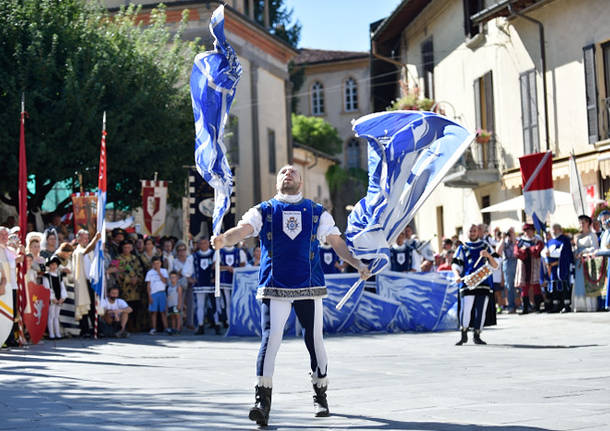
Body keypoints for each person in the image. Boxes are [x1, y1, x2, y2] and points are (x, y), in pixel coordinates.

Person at [212, 165, 370, 426]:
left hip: (309, 285)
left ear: (301, 181)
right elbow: (241, 231)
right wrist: (223, 240)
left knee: (314, 339)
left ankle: (320, 395)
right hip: (275, 285)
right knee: (271, 339)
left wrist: (358, 264)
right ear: (277, 182)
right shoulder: (263, 210)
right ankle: (262, 402)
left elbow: (337, 243)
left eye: (293, 171)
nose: (288, 173)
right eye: (283, 171)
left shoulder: (318, 212)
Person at [452, 224, 498, 346]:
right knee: (466, 308)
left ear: (478, 232)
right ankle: (464, 333)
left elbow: (496, 264)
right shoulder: (462, 248)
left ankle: (477, 335)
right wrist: (457, 276)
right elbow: (456, 265)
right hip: (468, 282)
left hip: (483, 282)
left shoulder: (485, 246)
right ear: (467, 233)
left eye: (475, 231)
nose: (472, 233)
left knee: (480, 310)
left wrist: (488, 256)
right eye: (470, 231)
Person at [72, 230, 101, 337]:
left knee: (93, 306)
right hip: (82, 282)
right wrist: (95, 239)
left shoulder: (91, 251)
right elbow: (86, 251)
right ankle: (84, 329)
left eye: (87, 238)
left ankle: (95, 328)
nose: (86, 240)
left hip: (91, 281)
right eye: (84, 238)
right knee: (84, 305)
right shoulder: (78, 251)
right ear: (78, 239)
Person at [542, 224, 574, 313]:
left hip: (562, 266)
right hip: (552, 268)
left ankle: (566, 305)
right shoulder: (550, 241)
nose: (553, 231)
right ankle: (556, 305)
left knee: (564, 285)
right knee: (555, 286)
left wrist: (551, 255)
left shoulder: (565, 240)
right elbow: (544, 252)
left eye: (554, 229)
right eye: (552, 230)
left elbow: (564, 253)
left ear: (559, 229)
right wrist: (546, 255)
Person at [116, 240, 146, 332]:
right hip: (124, 289)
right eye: (125, 247)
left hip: (135, 289)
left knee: (136, 307)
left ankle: (136, 326)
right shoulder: (117, 258)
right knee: (125, 306)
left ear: (132, 248)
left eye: (129, 247)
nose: (127, 249)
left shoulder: (135, 258)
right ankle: (126, 326)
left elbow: (140, 270)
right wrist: (128, 279)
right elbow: (115, 272)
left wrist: (137, 279)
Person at [514, 224, 545, 314]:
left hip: (534, 264)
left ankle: (537, 306)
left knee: (536, 285)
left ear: (533, 231)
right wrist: (525, 251)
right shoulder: (520, 241)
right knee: (525, 286)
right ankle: (525, 307)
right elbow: (516, 252)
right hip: (524, 264)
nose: (528, 232)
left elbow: (537, 250)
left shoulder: (537, 240)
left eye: (530, 230)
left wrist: (527, 249)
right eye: (526, 231)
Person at [190, 238, 217, 334]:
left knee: (214, 304)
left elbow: (217, 266)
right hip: (200, 284)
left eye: (205, 243)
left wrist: (216, 278)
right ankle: (201, 325)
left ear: (208, 244)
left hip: (211, 283)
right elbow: (187, 269)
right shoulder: (194, 256)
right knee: (200, 305)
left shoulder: (214, 254)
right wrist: (190, 278)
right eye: (201, 243)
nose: (203, 245)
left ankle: (217, 324)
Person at [216, 243, 247, 326]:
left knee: (237, 300)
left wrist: (235, 269)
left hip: (236, 280)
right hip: (225, 280)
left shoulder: (239, 251)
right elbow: (215, 266)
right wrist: (227, 268)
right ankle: (229, 321)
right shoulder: (219, 252)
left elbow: (243, 265)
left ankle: (238, 320)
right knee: (228, 301)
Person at [573, 215, 599, 311]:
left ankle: (590, 305)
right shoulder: (578, 236)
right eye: (580, 222)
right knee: (579, 283)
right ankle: (580, 306)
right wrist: (576, 252)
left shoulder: (592, 235)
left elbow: (595, 248)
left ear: (588, 223)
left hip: (588, 261)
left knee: (588, 282)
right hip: (579, 262)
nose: (581, 224)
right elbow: (576, 249)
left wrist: (583, 251)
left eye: (583, 222)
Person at [43, 256, 67, 339]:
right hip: (52, 300)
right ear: (49, 265)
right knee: (51, 316)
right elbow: (47, 288)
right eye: (52, 264)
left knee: (57, 316)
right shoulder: (46, 276)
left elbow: (62, 287)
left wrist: (62, 297)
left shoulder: (59, 276)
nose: (53, 266)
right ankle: (51, 334)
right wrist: (52, 298)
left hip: (59, 298)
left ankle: (58, 333)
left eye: (55, 264)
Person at [496, 228, 519, 313]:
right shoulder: (504, 242)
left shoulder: (517, 240)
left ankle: (523, 304)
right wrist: (502, 238)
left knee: (520, 284)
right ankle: (511, 306)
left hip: (518, 261)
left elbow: (516, 245)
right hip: (508, 262)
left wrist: (513, 235)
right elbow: (498, 252)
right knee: (509, 285)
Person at [145, 256, 169, 335]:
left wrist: (159, 272)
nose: (156, 265)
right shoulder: (149, 273)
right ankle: (153, 328)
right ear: (152, 264)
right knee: (153, 312)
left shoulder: (164, 271)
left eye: (158, 263)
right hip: (153, 294)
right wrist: (149, 296)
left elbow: (165, 281)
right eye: (155, 264)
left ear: (160, 263)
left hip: (162, 293)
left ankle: (166, 327)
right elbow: (148, 285)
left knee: (163, 311)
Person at [173, 242, 194, 329]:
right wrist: (186, 276)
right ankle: (179, 323)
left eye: (183, 249)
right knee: (180, 304)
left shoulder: (190, 259)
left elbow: (192, 271)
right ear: (177, 251)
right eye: (179, 250)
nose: (181, 252)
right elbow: (178, 273)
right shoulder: (175, 261)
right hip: (180, 284)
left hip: (191, 283)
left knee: (191, 304)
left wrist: (188, 277)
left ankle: (190, 323)